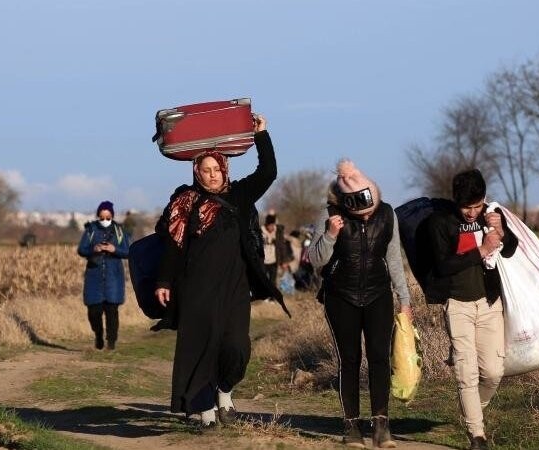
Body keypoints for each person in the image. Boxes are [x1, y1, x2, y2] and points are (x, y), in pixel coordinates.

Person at [153, 114, 288, 428]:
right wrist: (163, 280)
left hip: (235, 288)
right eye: (206, 170)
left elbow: (268, 172)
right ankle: (206, 412)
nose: (212, 176)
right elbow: (173, 244)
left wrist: (262, 135)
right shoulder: (186, 201)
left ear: (224, 169)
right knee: (200, 348)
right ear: (197, 172)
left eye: (217, 169)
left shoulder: (238, 195)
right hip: (196, 288)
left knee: (237, 347)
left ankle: (224, 391)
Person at [308, 160, 412, 448]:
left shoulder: (388, 214)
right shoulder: (328, 214)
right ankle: (351, 425)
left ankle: (381, 424)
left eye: (370, 213)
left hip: (379, 294)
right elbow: (316, 261)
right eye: (360, 214)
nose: (366, 218)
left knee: (379, 358)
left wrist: (405, 299)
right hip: (341, 296)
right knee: (349, 360)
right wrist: (330, 235)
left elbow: (394, 261)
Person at [423, 169, 518, 450]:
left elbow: (511, 249)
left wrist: (500, 231)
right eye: (467, 207)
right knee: (467, 373)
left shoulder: (491, 214)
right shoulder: (439, 223)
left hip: (489, 304)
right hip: (457, 305)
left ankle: (470, 408)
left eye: (477, 206)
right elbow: (442, 266)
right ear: (456, 201)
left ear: (484, 199)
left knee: (493, 373)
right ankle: (478, 436)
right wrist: (482, 249)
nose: (472, 212)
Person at [76, 200, 130, 350]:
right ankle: (98, 335)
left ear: (112, 216)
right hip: (94, 276)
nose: (105, 220)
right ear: (98, 216)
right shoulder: (90, 230)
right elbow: (81, 250)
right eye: (102, 217)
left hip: (114, 278)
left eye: (108, 217)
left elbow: (128, 251)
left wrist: (115, 250)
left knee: (112, 312)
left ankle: (111, 342)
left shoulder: (120, 231)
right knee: (94, 311)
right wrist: (94, 249)